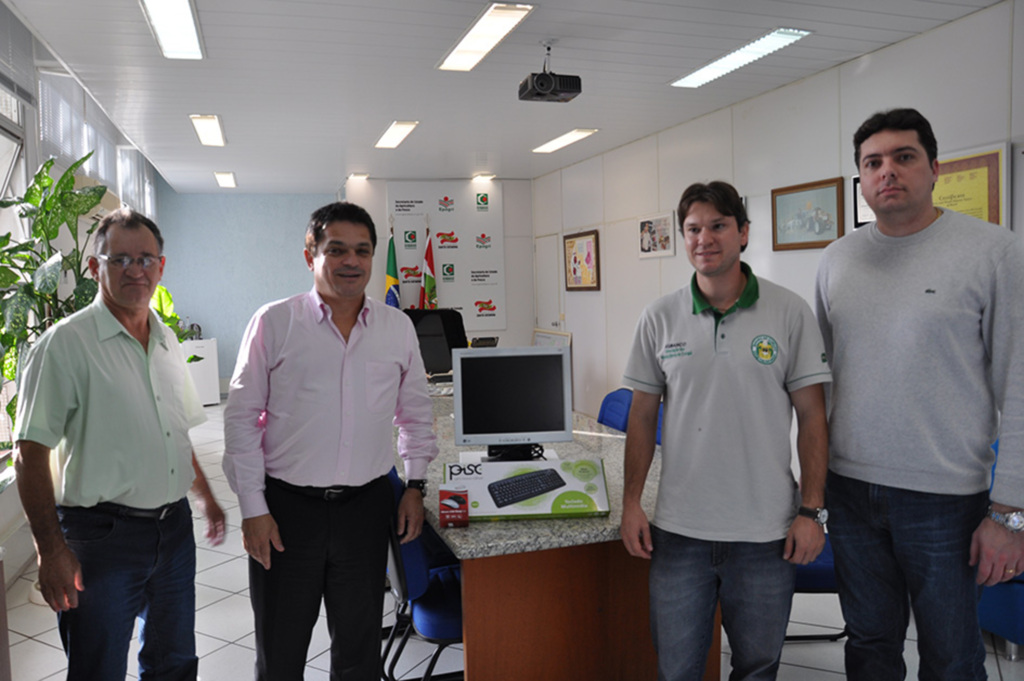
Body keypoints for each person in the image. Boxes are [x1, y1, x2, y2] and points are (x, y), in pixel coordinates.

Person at [815, 108, 1024, 680]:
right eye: (872, 162)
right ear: (861, 178)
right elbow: (819, 383)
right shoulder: (837, 259)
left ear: (934, 168)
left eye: (903, 157)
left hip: (945, 501)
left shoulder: (993, 252)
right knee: (868, 647)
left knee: (952, 658)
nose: (888, 172)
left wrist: (1010, 516)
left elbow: (1020, 384)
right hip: (851, 493)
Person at [620, 181, 831, 681]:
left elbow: (814, 418)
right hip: (679, 534)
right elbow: (642, 417)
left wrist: (813, 510)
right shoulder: (659, 317)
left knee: (757, 668)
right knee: (677, 669)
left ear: (743, 233)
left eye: (718, 226)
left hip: (765, 534)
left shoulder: (789, 311)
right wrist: (632, 503)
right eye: (693, 228)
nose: (704, 238)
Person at [223, 201, 438, 681]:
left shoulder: (396, 328)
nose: (351, 262)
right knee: (281, 652)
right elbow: (241, 419)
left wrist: (415, 485)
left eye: (362, 251)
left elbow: (416, 415)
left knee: (359, 653)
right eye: (336, 249)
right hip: (285, 513)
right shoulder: (275, 323)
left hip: (365, 509)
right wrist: (253, 510)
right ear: (310, 256)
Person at [13, 207, 226, 681]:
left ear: (162, 267)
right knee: (98, 667)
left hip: (173, 533)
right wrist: (50, 550)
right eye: (120, 259)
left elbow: (175, 430)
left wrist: (207, 498)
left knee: (174, 661)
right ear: (95, 268)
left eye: (146, 259)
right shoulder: (64, 345)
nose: (136, 270)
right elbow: (28, 453)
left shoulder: (166, 340)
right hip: (100, 540)